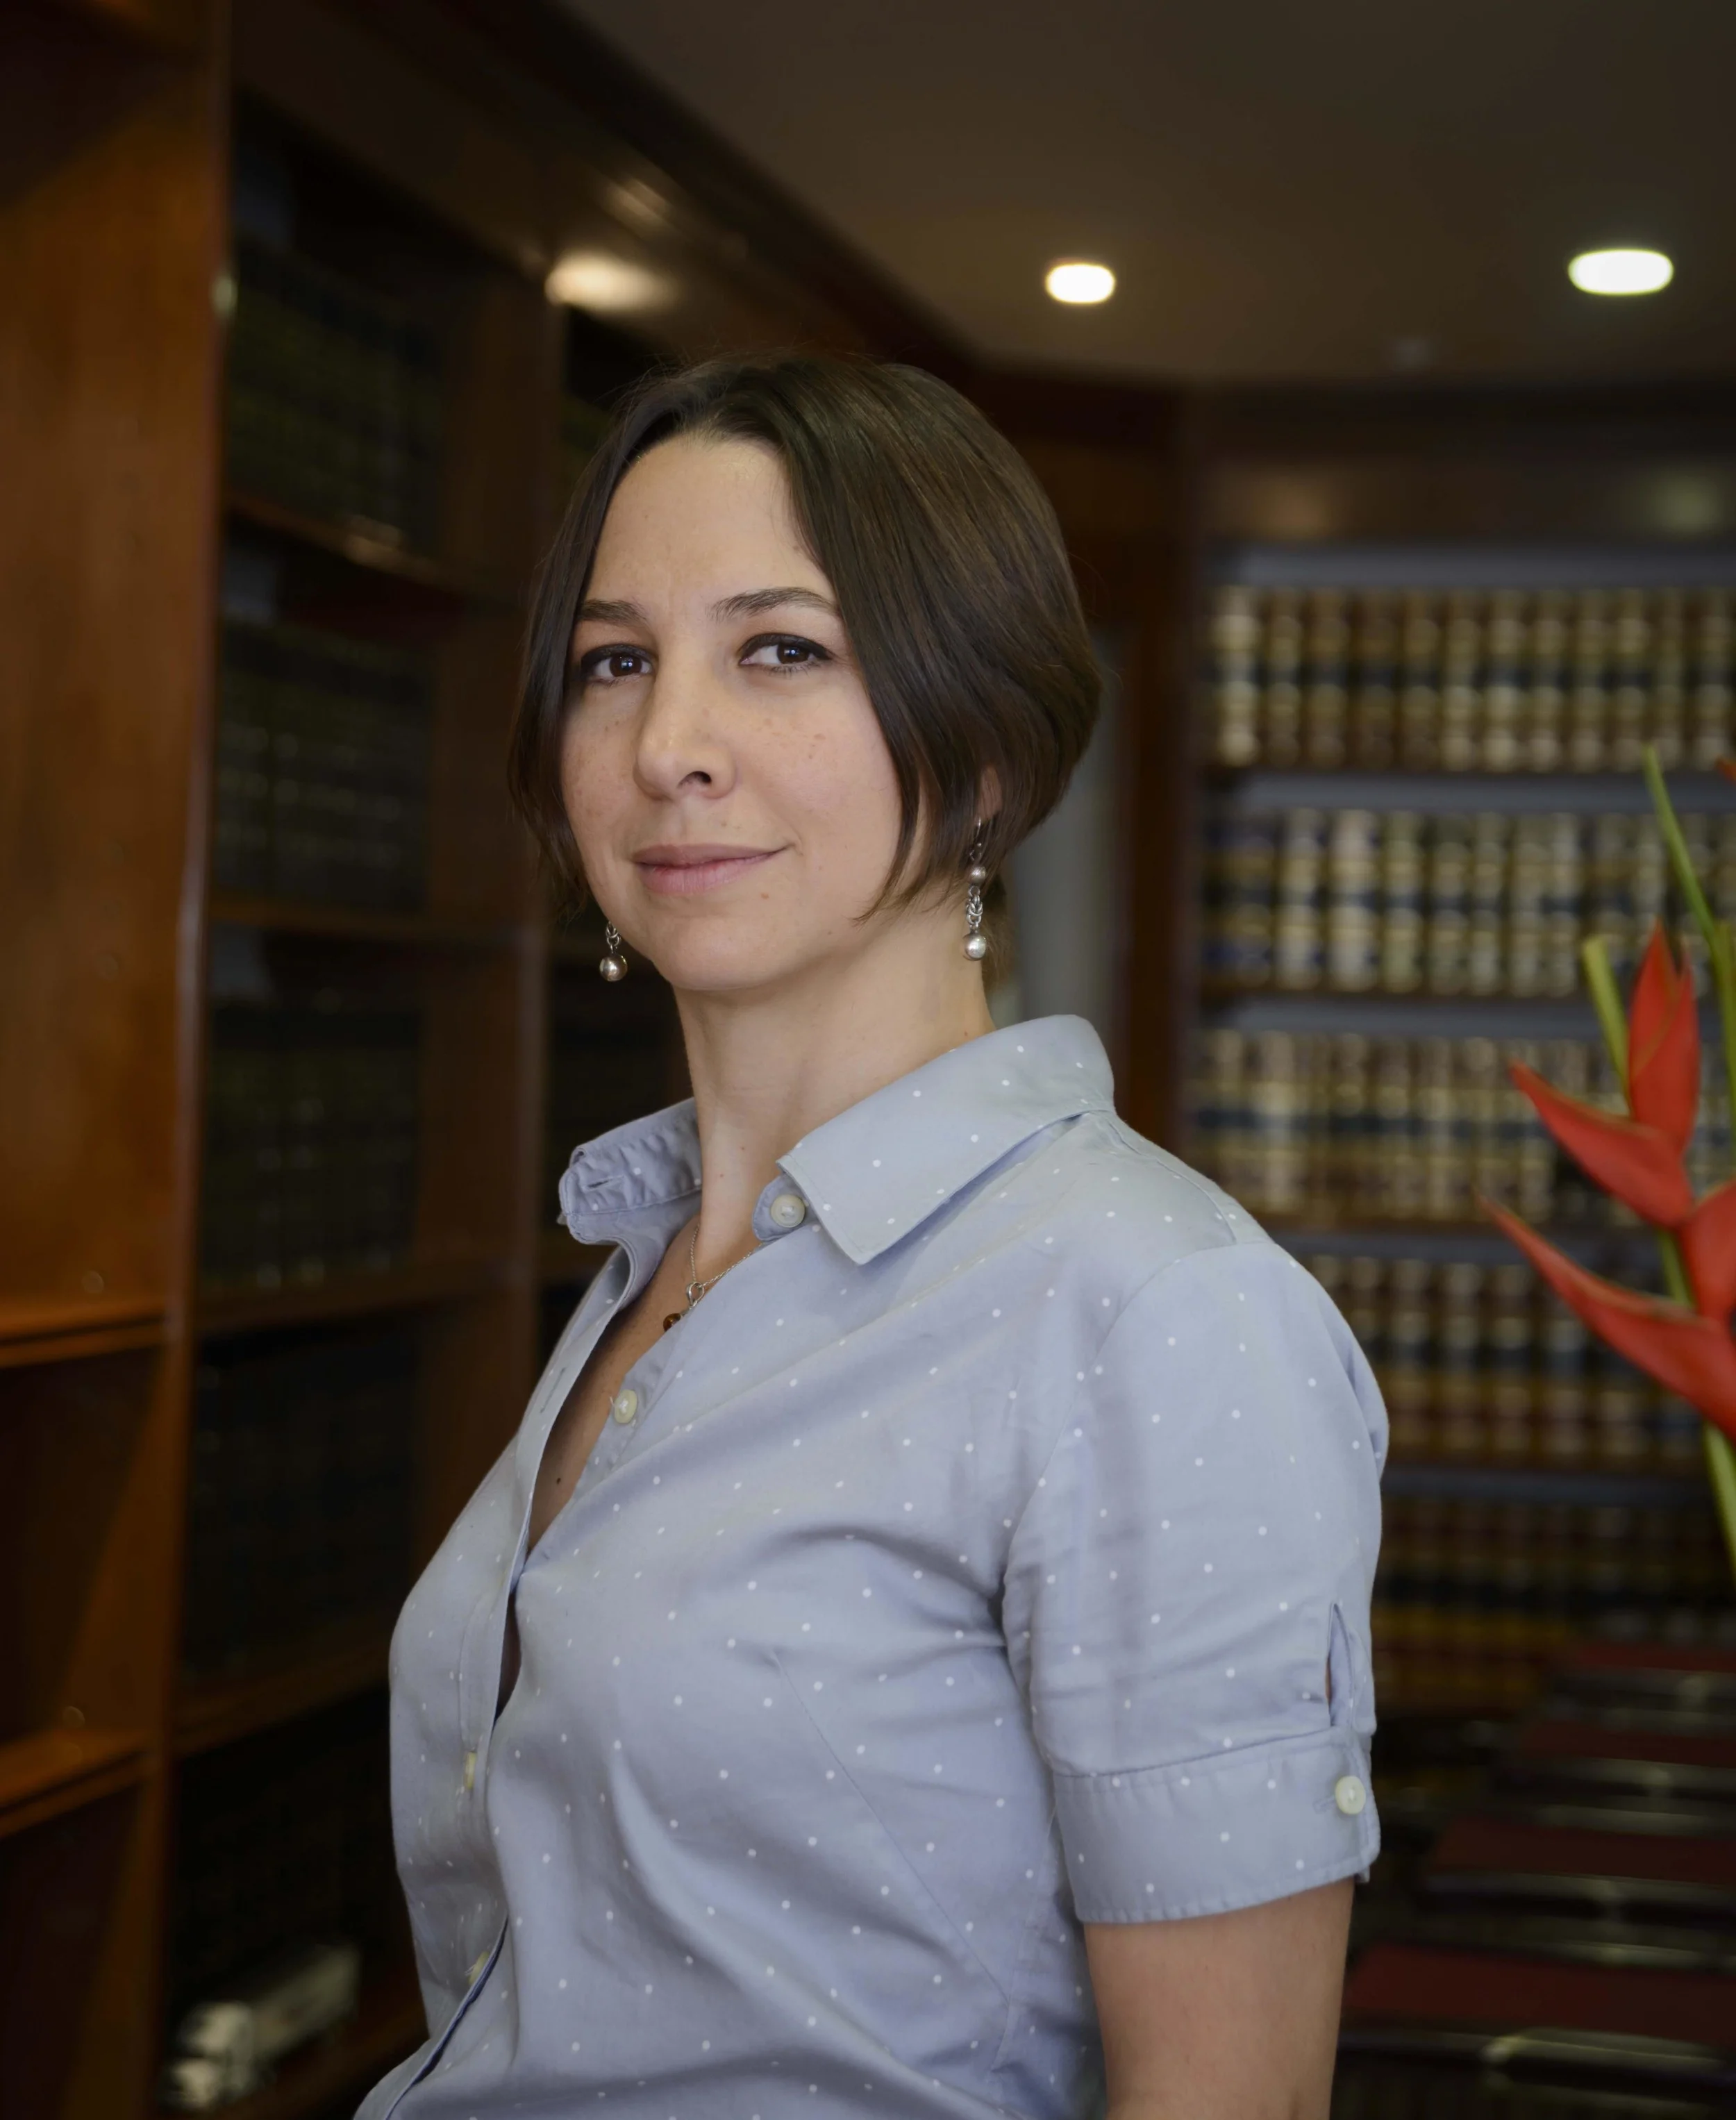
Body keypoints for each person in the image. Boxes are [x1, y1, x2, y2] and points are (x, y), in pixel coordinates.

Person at [358, 354, 1385, 2120]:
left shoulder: (1152, 1309)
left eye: (779, 649)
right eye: (614, 661)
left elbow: (1234, 2098)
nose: (668, 744)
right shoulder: (652, 1259)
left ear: (979, 746)